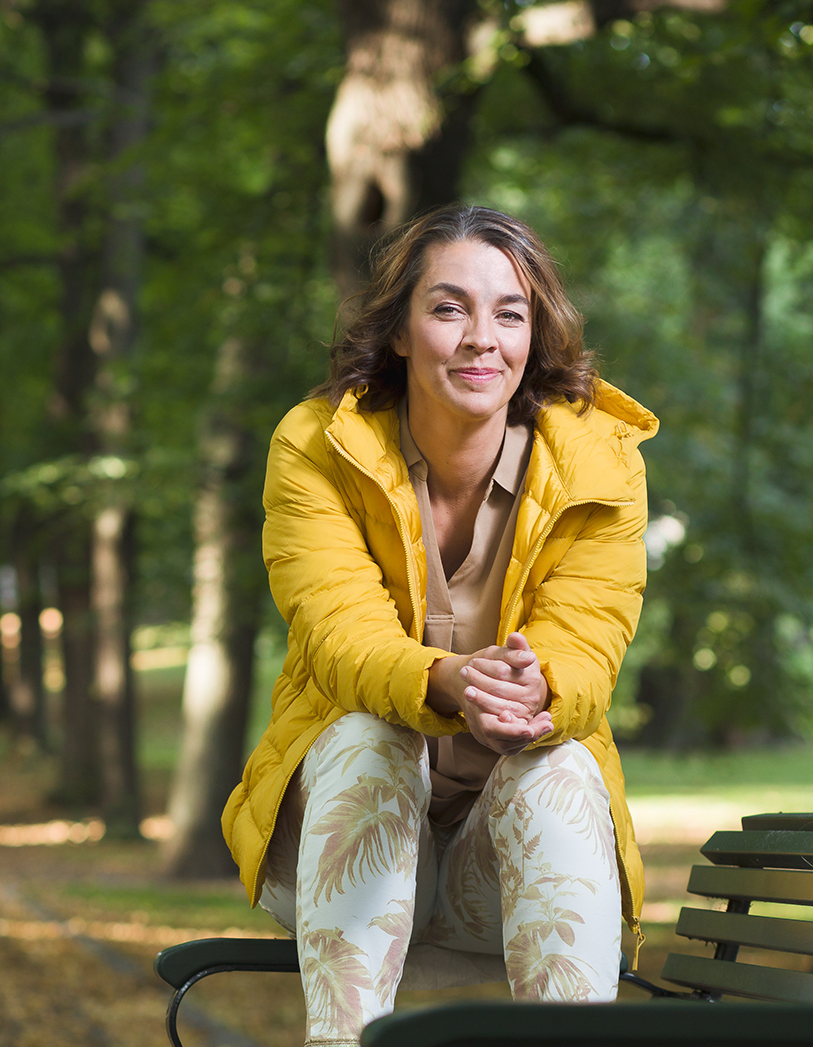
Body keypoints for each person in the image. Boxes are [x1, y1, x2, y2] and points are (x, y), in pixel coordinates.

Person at [222, 204, 656, 1044]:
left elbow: (589, 639)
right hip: (342, 847)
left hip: (499, 872)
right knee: (368, 737)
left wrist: (538, 688)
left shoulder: (602, 467)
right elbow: (341, 635)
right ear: (399, 330)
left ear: (534, 335)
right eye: (449, 308)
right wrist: (446, 682)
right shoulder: (316, 446)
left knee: (562, 764)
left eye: (510, 314)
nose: (481, 339)